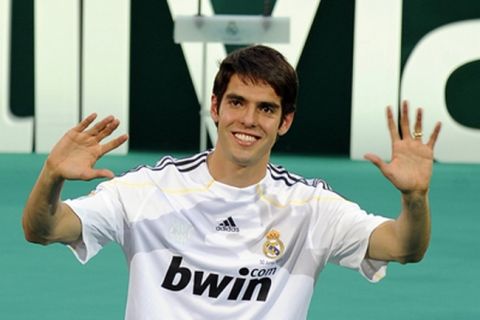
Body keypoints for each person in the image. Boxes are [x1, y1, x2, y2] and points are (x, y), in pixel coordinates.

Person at [22, 45, 441, 319]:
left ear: (285, 121)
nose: (248, 120)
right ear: (216, 107)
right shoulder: (148, 189)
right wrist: (51, 177)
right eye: (237, 103)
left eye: (266, 109)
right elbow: (43, 230)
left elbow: (404, 248)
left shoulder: (311, 207)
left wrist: (416, 199)